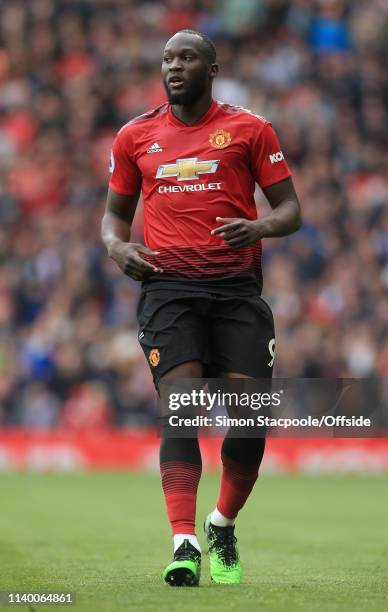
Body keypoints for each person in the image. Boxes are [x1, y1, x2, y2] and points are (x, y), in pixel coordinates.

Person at [101, 29, 301, 587]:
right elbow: (114, 218)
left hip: (237, 292)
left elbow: (291, 210)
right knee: (182, 409)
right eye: (167, 58)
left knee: (250, 419)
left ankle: (222, 524)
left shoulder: (249, 129)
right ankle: (183, 542)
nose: (174, 66)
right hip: (168, 291)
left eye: (187, 57)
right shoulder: (135, 136)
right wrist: (118, 248)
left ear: (211, 69)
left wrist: (258, 226)